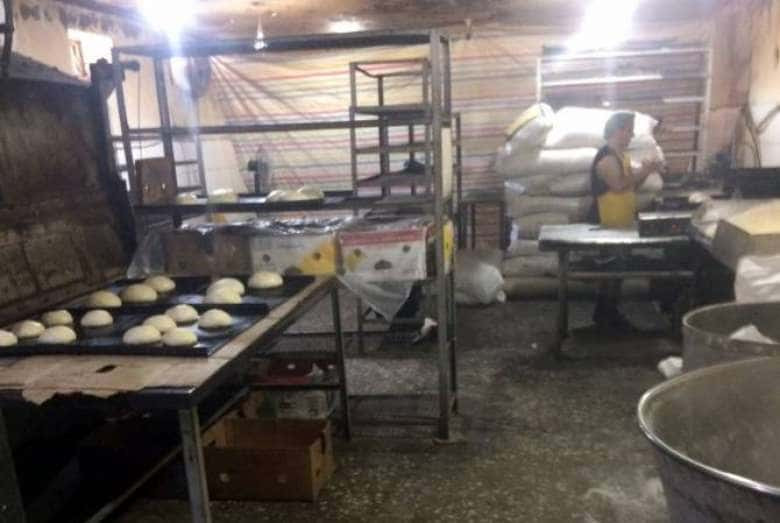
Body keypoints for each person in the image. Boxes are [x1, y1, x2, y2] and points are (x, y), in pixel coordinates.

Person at [589, 111, 663, 331]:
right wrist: (645, 169)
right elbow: (619, 185)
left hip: (621, 223)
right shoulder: (606, 158)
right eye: (629, 130)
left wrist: (646, 172)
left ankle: (608, 315)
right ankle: (605, 317)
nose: (631, 135)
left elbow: (631, 185)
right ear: (618, 131)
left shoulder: (621, 157)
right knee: (611, 273)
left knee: (617, 273)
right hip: (607, 224)